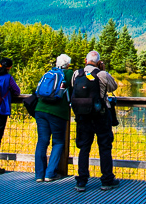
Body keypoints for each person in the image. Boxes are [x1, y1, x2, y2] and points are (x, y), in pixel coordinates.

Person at [72, 50, 119, 192]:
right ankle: (106, 180)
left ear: (85, 61)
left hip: (83, 116)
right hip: (101, 115)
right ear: (99, 62)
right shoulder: (102, 74)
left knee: (84, 148)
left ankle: (81, 181)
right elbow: (114, 87)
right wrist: (102, 70)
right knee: (104, 147)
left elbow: (73, 86)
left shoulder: (77, 74)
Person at [34, 54, 72, 183]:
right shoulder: (69, 74)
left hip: (40, 109)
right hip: (57, 112)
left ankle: (39, 174)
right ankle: (50, 173)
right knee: (58, 141)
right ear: (68, 64)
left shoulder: (48, 73)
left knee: (42, 141)